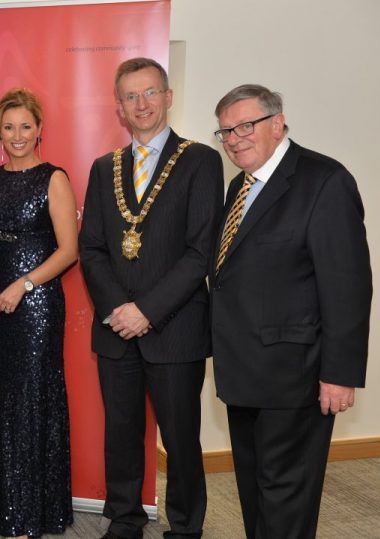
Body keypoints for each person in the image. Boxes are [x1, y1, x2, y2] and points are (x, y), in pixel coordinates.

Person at [210, 84, 372, 539]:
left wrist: (339, 373)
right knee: (255, 491)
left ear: (277, 123)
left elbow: (347, 285)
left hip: (295, 377)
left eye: (245, 125)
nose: (234, 138)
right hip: (243, 374)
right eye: (225, 131)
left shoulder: (324, 181)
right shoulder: (240, 188)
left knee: (286, 497)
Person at [79, 57, 224, 539]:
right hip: (115, 330)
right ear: (119, 107)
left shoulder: (201, 160)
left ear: (167, 97)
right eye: (130, 96)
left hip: (175, 327)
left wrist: (147, 311)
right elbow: (93, 248)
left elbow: (199, 250)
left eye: (149, 93)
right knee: (120, 436)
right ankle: (124, 519)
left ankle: (184, 527)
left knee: (181, 439)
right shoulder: (104, 168)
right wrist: (119, 310)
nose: (141, 104)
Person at [0, 88, 79, 538]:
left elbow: (69, 250)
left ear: (39, 131)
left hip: (36, 308)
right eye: (9, 126)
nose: (17, 135)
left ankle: (33, 508)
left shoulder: (54, 178)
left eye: (25, 126)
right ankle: (0, 504)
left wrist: (24, 284)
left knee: (32, 398)